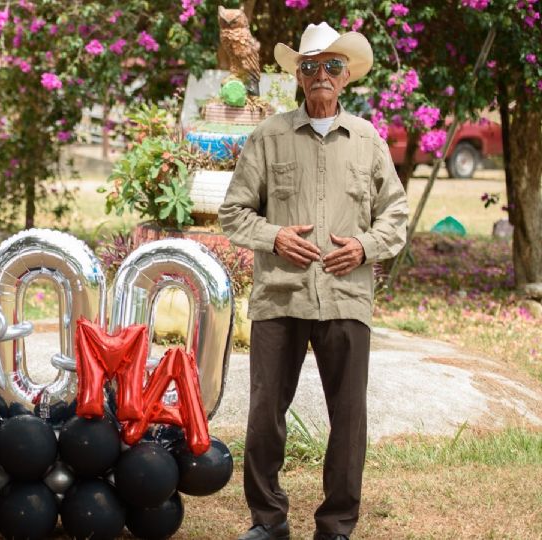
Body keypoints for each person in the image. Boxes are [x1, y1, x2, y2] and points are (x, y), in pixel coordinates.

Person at [218, 22, 409, 540]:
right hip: (281, 297)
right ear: (297, 77)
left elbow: (395, 214)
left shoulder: (368, 140)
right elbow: (233, 213)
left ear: (345, 76)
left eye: (329, 66)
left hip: (347, 298)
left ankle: (337, 526)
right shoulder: (269, 136)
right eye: (309, 66)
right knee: (263, 416)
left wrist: (366, 247)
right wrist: (276, 235)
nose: (319, 75)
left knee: (348, 420)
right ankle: (268, 521)